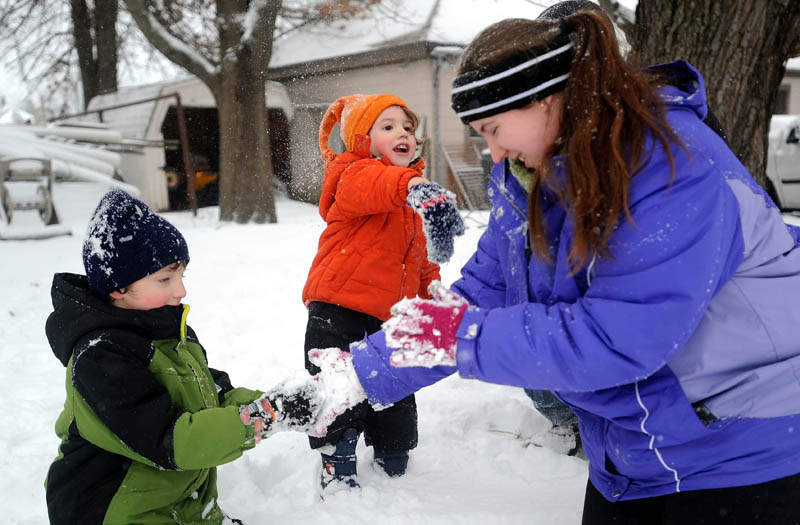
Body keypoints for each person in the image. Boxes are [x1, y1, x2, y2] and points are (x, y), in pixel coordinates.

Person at [321, 8, 800, 525]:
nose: (494, 151)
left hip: (742, 453)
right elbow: (481, 291)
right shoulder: (534, 177)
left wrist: (456, 337)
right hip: (635, 453)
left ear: (547, 100)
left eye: (495, 128)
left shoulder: (670, 166)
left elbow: (618, 338)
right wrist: (353, 379)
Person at [45, 189, 322, 525]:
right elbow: (172, 440)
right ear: (118, 288)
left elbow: (215, 395)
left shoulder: (171, 333)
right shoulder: (99, 357)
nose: (181, 291)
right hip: (115, 510)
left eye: (181, 276)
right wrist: (267, 416)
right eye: (165, 279)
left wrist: (277, 403)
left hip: (180, 504)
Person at [302, 93, 464, 490]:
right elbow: (380, 184)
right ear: (362, 139)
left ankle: (394, 451)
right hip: (339, 309)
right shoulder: (354, 175)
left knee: (394, 386)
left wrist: (434, 299)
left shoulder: (409, 196)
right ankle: (336, 458)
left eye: (407, 127)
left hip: (390, 315)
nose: (402, 133)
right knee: (335, 386)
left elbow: (422, 264)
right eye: (387, 127)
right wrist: (418, 189)